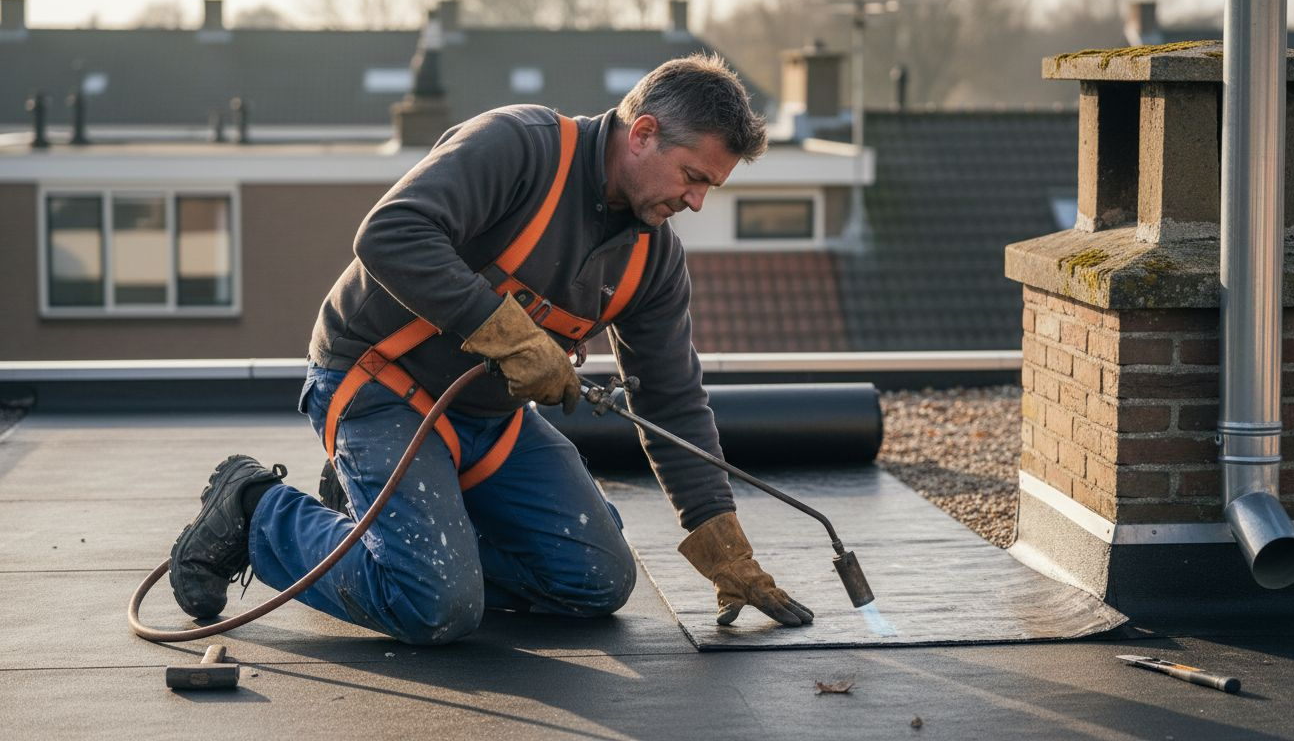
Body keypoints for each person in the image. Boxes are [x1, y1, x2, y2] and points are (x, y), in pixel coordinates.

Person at [167, 54, 813, 645]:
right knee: (436, 606)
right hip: (377, 382)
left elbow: (672, 397)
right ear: (642, 134)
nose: (697, 202)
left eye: (710, 188)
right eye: (693, 177)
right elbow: (389, 233)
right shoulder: (522, 147)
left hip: (485, 419)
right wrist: (509, 333)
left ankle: (406, 535)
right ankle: (256, 512)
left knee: (598, 581)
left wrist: (719, 537)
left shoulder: (654, 262)